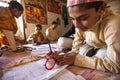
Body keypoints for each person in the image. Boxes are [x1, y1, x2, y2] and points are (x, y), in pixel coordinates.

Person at [49, 0, 120, 73]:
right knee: (82, 50)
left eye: (83, 18)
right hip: (91, 46)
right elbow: (75, 50)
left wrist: (77, 59)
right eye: (72, 19)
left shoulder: (114, 24)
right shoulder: (79, 24)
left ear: (101, 9)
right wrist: (62, 56)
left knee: (101, 55)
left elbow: (115, 65)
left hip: (105, 47)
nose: (76, 25)